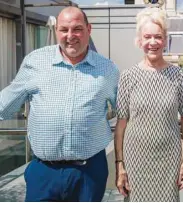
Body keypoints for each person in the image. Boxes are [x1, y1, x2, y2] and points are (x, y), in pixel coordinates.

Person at [0, 6, 119, 201]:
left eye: (77, 29)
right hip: (43, 172)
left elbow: (126, 113)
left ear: (89, 29)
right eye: (64, 29)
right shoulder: (35, 62)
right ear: (57, 31)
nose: (70, 35)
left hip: (89, 173)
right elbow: (5, 104)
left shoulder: (107, 69)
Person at [114, 7, 183, 202]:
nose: (152, 42)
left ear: (165, 40)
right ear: (139, 41)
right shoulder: (128, 76)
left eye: (158, 37)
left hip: (169, 160)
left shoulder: (178, 76)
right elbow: (121, 125)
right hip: (135, 161)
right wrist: (120, 165)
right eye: (147, 37)